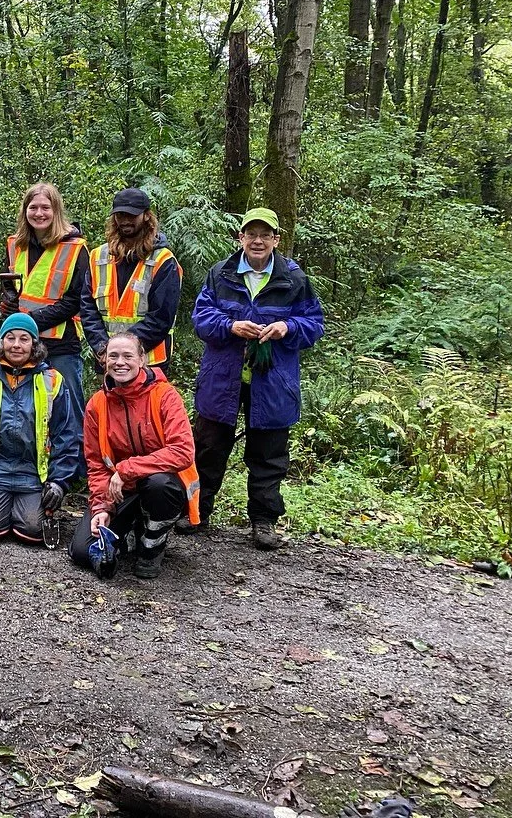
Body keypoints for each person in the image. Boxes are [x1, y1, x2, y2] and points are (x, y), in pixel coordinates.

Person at [189, 207, 325, 549]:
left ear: (277, 240)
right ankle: (195, 513)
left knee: (268, 455)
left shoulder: (294, 279)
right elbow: (202, 317)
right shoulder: (220, 273)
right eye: (252, 234)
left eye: (266, 235)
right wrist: (230, 325)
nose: (258, 241)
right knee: (207, 448)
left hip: (273, 380)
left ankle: (263, 522)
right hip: (222, 378)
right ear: (241, 238)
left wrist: (287, 326)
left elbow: (314, 323)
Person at [69, 332, 199, 579]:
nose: (120, 362)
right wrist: (101, 508)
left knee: (159, 484)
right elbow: (96, 464)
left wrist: (127, 469)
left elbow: (183, 451)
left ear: (142, 360)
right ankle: (125, 534)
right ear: (103, 360)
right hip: (120, 492)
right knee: (83, 551)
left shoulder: (165, 395)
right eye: (113, 356)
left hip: (163, 489)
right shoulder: (97, 404)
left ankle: (152, 546)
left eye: (128, 356)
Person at [0, 313, 83, 542]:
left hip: (33, 472)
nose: (16, 345)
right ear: (1, 343)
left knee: (31, 529)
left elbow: (66, 435)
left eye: (24, 339)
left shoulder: (53, 380)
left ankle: (26, 507)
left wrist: (58, 482)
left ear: (34, 344)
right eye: (10, 338)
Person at [3, 182, 91, 412]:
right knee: (26, 410)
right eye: (33, 207)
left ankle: (74, 450)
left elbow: (75, 300)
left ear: (56, 211)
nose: (39, 213)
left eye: (45, 208)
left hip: (61, 344)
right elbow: (9, 287)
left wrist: (30, 321)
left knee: (68, 409)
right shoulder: (14, 244)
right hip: (22, 344)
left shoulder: (75, 247)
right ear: (25, 211)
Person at [80, 188, 182, 377]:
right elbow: (88, 309)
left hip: (149, 362)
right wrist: (103, 348)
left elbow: (161, 318)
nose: (126, 220)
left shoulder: (163, 260)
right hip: (108, 361)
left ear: (146, 216)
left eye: (132, 215)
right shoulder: (97, 257)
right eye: (120, 215)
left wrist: (126, 352)